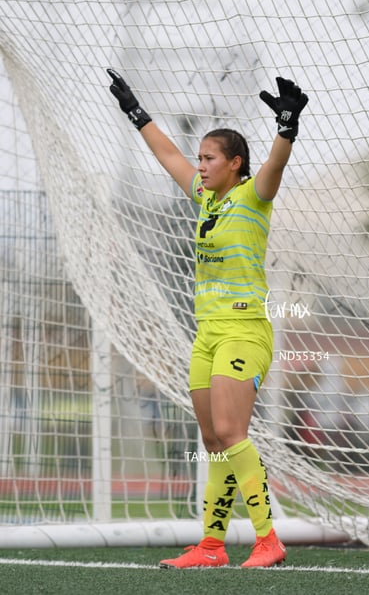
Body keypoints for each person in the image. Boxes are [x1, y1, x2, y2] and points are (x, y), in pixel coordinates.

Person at [107, 67, 308, 568]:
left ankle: (268, 540)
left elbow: (274, 168)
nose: (198, 166)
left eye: (209, 158)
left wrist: (285, 129)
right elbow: (167, 154)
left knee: (230, 430)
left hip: (244, 332)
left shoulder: (251, 197)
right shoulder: (204, 200)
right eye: (199, 158)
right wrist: (137, 114)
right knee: (213, 439)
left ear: (234, 163)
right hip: (207, 335)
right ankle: (212, 546)